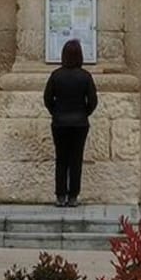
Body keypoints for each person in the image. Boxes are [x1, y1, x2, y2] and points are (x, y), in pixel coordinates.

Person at [42, 38, 97, 207]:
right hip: (80, 123)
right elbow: (93, 101)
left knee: (61, 159)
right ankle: (73, 196)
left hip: (59, 122)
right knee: (76, 159)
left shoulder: (56, 75)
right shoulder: (85, 76)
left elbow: (47, 98)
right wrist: (84, 113)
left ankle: (60, 195)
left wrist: (56, 112)